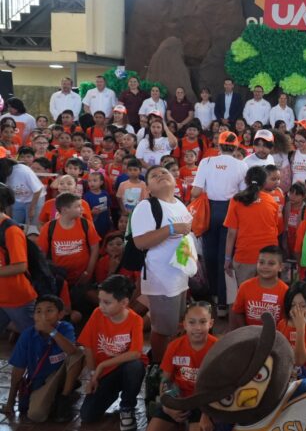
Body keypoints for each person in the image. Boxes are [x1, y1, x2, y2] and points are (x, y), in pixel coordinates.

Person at [131, 166, 193, 363]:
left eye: (164, 173)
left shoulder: (179, 204)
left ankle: (171, 362)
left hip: (179, 274)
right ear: (148, 188)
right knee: (162, 329)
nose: (160, 176)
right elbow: (140, 242)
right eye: (154, 176)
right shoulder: (146, 206)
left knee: (175, 324)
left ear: (174, 180)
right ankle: (158, 367)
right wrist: (171, 228)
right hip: (161, 276)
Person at [79, 275, 146, 430]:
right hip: (105, 374)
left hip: (125, 370)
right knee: (87, 415)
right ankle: (112, 392)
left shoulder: (135, 320)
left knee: (135, 366)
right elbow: (88, 346)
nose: (101, 306)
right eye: (100, 300)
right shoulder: (97, 313)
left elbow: (135, 353)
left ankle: (127, 407)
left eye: (107, 302)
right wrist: (93, 375)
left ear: (124, 303)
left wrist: (102, 365)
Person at [191, 131, 247, 316]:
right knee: (226, 257)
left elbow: (196, 191)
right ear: (236, 147)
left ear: (219, 145)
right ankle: (224, 302)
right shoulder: (242, 165)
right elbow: (243, 194)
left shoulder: (206, 162)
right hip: (231, 210)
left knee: (209, 254)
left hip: (209, 210)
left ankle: (214, 296)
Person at [3, 295, 82, 423]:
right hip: (40, 380)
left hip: (61, 374)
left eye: (49, 310)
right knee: (36, 414)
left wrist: (51, 331)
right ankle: (58, 395)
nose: (43, 315)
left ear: (60, 314)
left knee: (79, 353)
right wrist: (10, 402)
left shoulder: (65, 327)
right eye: (38, 311)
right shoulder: (27, 335)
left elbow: (72, 351)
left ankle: (65, 396)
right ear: (33, 316)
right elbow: (18, 369)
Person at [147, 302, 217, 431]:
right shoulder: (174, 346)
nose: (197, 327)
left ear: (211, 323)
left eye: (203, 322)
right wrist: (167, 406)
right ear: (184, 324)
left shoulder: (217, 348)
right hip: (178, 399)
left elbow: (220, 387)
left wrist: (206, 415)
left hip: (204, 403)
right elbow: (165, 380)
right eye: (192, 322)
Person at [224, 166, 280, 285]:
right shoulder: (272, 201)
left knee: (245, 292)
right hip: (269, 257)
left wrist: (227, 258)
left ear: (246, 180)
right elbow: (276, 228)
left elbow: (231, 233)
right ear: (264, 182)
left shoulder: (236, 200)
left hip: (245, 256)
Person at [0, 183, 36, 335]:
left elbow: (20, 266)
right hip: (3, 296)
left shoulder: (11, 230)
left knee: (33, 338)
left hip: (16, 298)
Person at [276, 281, 306, 377]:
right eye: (293, 305)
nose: (296, 310)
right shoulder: (282, 324)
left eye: (302, 306)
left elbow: (299, 361)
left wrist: (300, 328)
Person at [0, 158, 44, 228]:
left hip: (34, 198)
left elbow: (38, 190)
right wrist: (8, 216)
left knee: (32, 226)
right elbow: (6, 196)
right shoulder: (3, 177)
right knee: (16, 223)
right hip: (18, 200)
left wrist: (32, 208)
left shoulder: (23, 171)